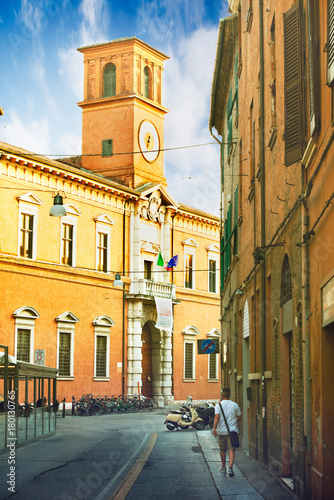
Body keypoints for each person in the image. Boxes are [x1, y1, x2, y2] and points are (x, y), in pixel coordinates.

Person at [213, 387, 242, 477]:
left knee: (222, 450)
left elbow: (217, 417)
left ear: (222, 394)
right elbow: (240, 418)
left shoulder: (219, 405)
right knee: (231, 449)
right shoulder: (235, 405)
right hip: (232, 432)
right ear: (230, 394)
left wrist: (214, 428)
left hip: (222, 431)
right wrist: (234, 419)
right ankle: (230, 467)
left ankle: (223, 466)